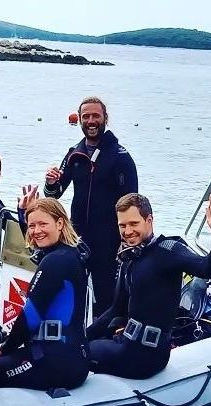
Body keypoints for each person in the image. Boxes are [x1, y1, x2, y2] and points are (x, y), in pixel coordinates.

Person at [87, 192, 211, 379]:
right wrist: (81, 336)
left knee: (80, 355)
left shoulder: (168, 250)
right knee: (80, 347)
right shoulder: (129, 257)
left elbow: (209, 269)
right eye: (122, 225)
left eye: (134, 224)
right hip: (128, 345)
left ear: (149, 220)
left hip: (148, 356)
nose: (127, 231)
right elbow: (116, 310)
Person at [44, 96, 138, 317]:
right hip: (77, 237)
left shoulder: (121, 156)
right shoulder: (74, 154)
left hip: (109, 240)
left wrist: (127, 240)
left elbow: (133, 203)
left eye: (96, 115)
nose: (91, 121)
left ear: (106, 118)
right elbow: (54, 194)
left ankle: (104, 333)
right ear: (79, 120)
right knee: (71, 290)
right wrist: (50, 182)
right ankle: (74, 331)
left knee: (106, 296)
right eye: (86, 116)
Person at [0, 197, 91, 391]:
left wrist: (6, 347)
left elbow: (30, 317)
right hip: (75, 356)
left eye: (43, 224)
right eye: (32, 226)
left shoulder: (55, 261)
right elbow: (36, 252)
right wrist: (22, 214)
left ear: (60, 223)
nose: (36, 231)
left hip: (56, 365)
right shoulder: (73, 253)